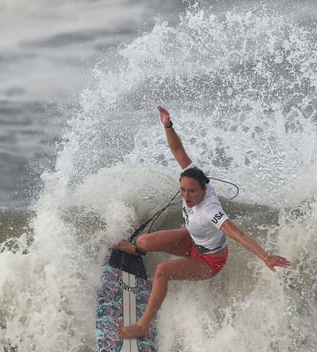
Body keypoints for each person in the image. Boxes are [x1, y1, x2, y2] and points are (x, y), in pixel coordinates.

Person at [114, 106, 291, 339]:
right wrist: (168, 125)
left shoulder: (210, 210)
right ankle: (137, 251)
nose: (187, 197)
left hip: (209, 261)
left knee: (162, 271)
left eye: (192, 192)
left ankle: (143, 325)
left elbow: (236, 233)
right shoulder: (193, 177)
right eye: (183, 190)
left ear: (204, 189)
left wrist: (265, 256)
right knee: (144, 241)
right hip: (192, 240)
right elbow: (177, 149)